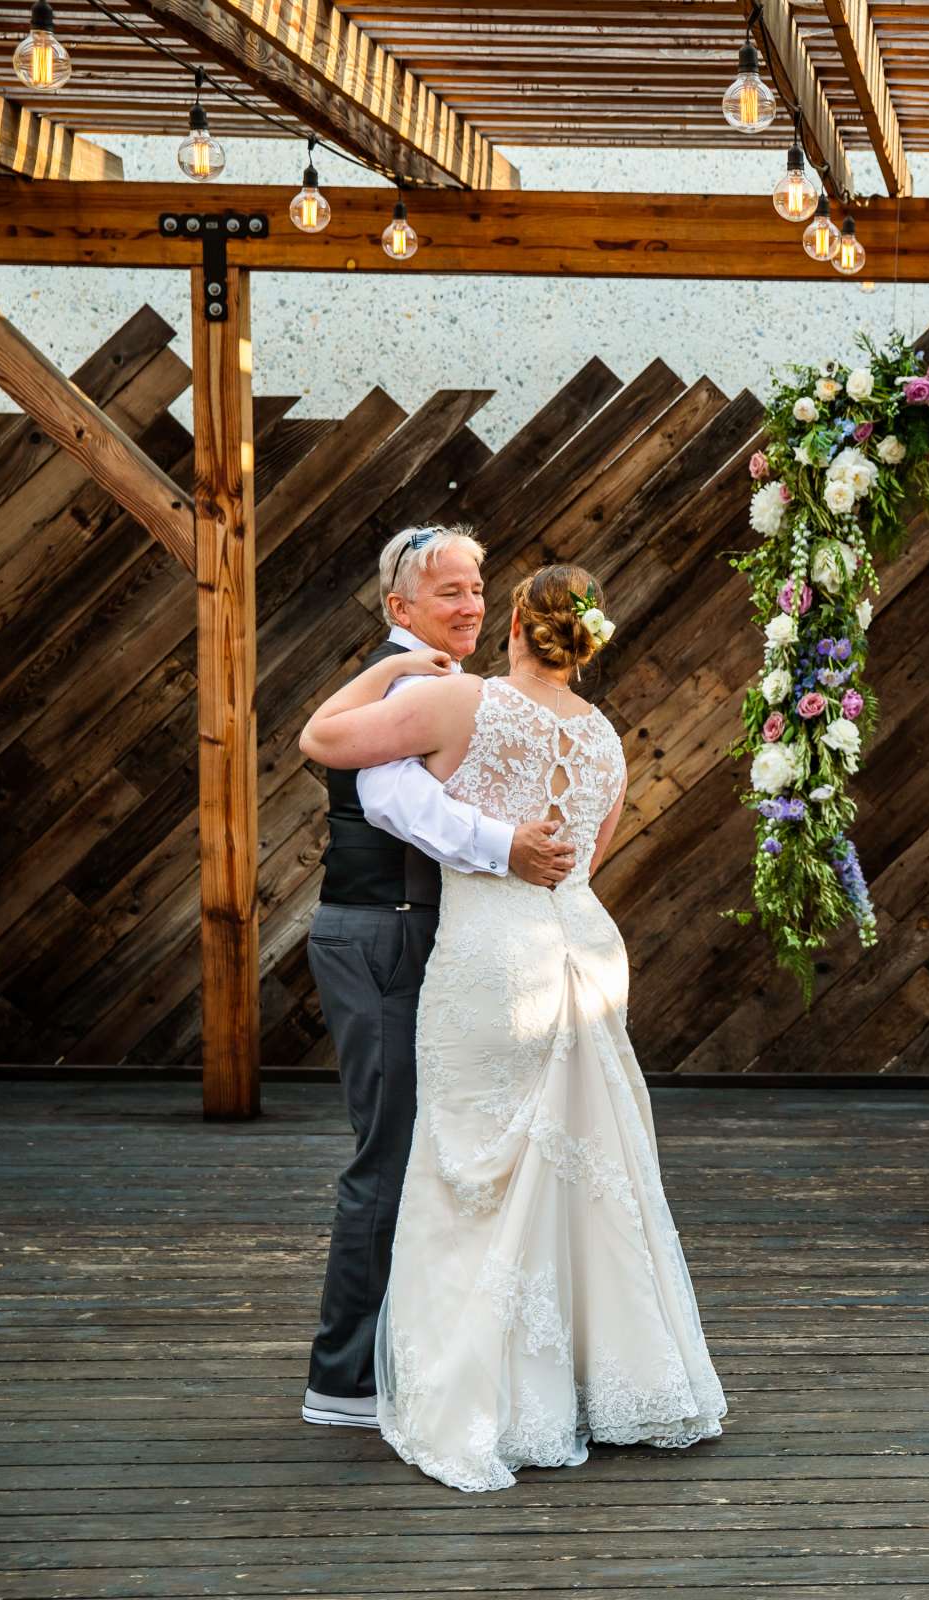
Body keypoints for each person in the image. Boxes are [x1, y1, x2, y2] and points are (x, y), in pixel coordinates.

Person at [299, 564, 725, 1491]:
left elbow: (321, 738)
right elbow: (585, 857)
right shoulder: (607, 737)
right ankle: (595, 1387)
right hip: (581, 949)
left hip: (491, 961)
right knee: (582, 1167)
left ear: (519, 628)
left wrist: (387, 672)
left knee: (472, 1173)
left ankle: (486, 1392)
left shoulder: (464, 705)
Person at [299, 526, 576, 1432]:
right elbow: (393, 805)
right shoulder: (408, 680)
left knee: (432, 1148)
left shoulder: (446, 686)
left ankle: (410, 1356)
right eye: (450, 591)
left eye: (477, 589)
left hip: (425, 936)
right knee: (388, 1154)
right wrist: (508, 847)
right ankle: (343, 1380)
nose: (471, 605)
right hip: (384, 933)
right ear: (400, 607)